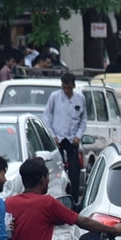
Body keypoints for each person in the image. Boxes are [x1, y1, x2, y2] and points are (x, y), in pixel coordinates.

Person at [43, 72, 87, 201]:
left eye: (69, 88)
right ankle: (58, 196)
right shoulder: (55, 97)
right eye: (64, 88)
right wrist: (53, 136)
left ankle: (73, 199)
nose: (67, 90)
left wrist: (78, 135)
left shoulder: (80, 98)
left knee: (75, 171)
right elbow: (46, 116)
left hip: (72, 139)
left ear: (73, 86)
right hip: (58, 138)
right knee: (57, 169)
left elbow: (83, 119)